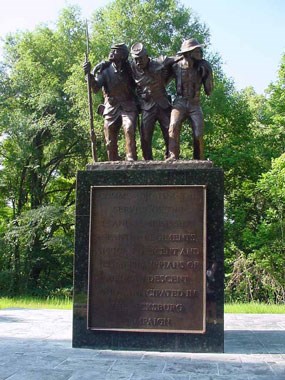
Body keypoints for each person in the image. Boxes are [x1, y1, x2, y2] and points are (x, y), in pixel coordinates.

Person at [84, 43, 138, 161]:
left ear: (123, 55)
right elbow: (95, 88)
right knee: (109, 136)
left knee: (129, 128)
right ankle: (113, 160)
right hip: (111, 107)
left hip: (128, 106)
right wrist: (89, 75)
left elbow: (140, 83)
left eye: (115, 51)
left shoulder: (130, 70)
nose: (111, 53)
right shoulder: (105, 71)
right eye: (111, 50)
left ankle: (131, 159)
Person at [130, 42, 177, 160]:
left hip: (163, 105)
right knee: (145, 136)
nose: (138, 62)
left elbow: (178, 58)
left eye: (140, 59)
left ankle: (170, 157)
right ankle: (147, 161)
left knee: (169, 132)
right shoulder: (132, 68)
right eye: (135, 59)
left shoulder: (160, 62)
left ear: (146, 56)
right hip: (147, 107)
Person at [168, 38, 213, 160]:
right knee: (173, 125)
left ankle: (199, 159)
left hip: (195, 103)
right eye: (197, 51)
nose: (200, 53)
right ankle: (172, 156)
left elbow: (209, 91)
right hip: (180, 102)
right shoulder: (175, 66)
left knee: (198, 134)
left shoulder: (203, 66)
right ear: (188, 53)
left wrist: (207, 73)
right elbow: (162, 81)